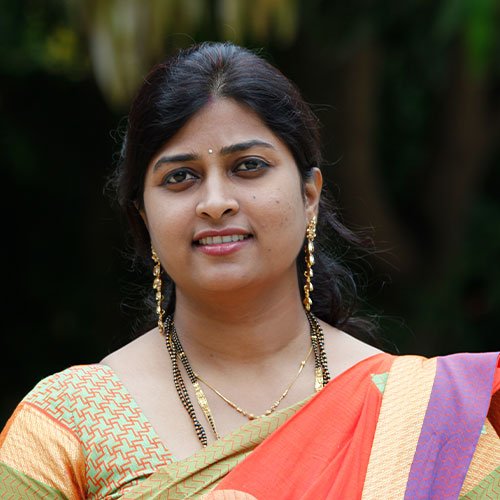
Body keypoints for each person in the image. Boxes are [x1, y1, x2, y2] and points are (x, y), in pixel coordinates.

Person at [0, 42, 498, 499]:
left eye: (248, 167)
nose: (215, 203)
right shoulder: (70, 426)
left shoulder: (426, 421)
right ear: (142, 216)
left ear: (309, 195)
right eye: (180, 177)